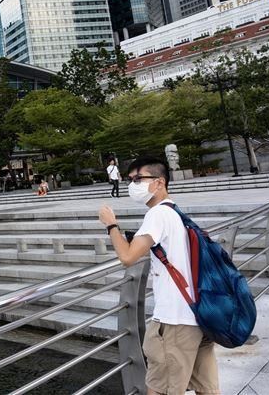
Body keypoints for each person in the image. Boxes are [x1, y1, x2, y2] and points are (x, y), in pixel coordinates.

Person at [97, 156, 219, 395]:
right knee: (207, 388)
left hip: (174, 321)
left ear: (159, 182)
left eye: (139, 179)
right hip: (198, 315)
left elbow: (128, 257)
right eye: (130, 179)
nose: (133, 184)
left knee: (159, 389)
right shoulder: (175, 212)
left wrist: (111, 226)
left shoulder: (157, 214)